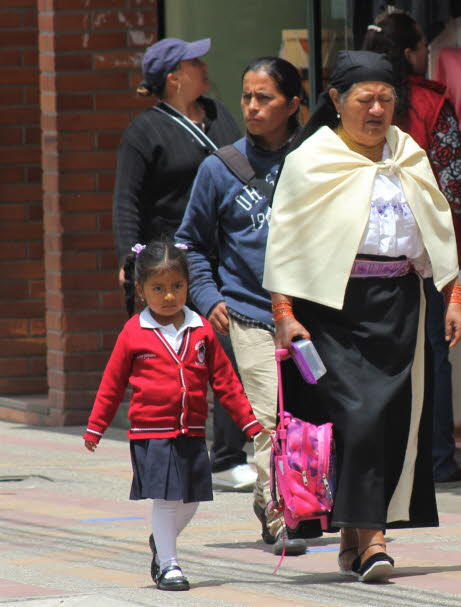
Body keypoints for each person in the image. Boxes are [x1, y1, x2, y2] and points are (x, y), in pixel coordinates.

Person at [263, 50, 461, 583]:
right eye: (363, 100)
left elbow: (435, 231)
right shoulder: (312, 161)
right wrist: (283, 312)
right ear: (335, 101)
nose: (376, 111)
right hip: (330, 310)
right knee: (357, 418)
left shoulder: (408, 154)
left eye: (386, 100)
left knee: (387, 421)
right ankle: (374, 538)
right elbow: (285, 241)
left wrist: (454, 296)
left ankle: (355, 542)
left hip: (397, 306)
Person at [175, 57, 307, 554]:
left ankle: (292, 500)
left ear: (294, 104)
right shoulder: (220, 168)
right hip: (249, 314)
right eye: (247, 96)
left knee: (310, 417)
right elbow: (190, 245)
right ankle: (278, 512)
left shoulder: (315, 162)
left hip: (311, 317)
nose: (251, 107)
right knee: (269, 419)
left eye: (264, 98)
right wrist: (209, 298)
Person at [111, 37, 255, 492]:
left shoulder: (217, 114)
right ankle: (172, 447)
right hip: (171, 261)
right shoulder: (145, 131)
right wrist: (129, 257)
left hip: (223, 253)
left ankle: (230, 454)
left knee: (228, 348)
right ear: (174, 77)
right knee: (177, 361)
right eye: (195, 62)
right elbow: (127, 201)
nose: (204, 66)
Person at [82, 240, 265, 591]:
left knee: (192, 500)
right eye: (158, 289)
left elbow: (226, 381)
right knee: (166, 500)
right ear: (140, 290)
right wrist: (96, 427)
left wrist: (249, 422)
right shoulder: (133, 332)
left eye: (177, 287)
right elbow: (112, 382)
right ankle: (169, 564)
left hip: (192, 432)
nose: (169, 296)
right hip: (152, 434)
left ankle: (161, 541)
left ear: (188, 284)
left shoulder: (201, 329)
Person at [362, 11, 461, 483]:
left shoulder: (349, 105)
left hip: (365, 254)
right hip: (425, 253)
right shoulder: (430, 103)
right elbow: (457, 182)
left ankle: (385, 459)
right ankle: (437, 460)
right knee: (434, 351)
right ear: (412, 55)